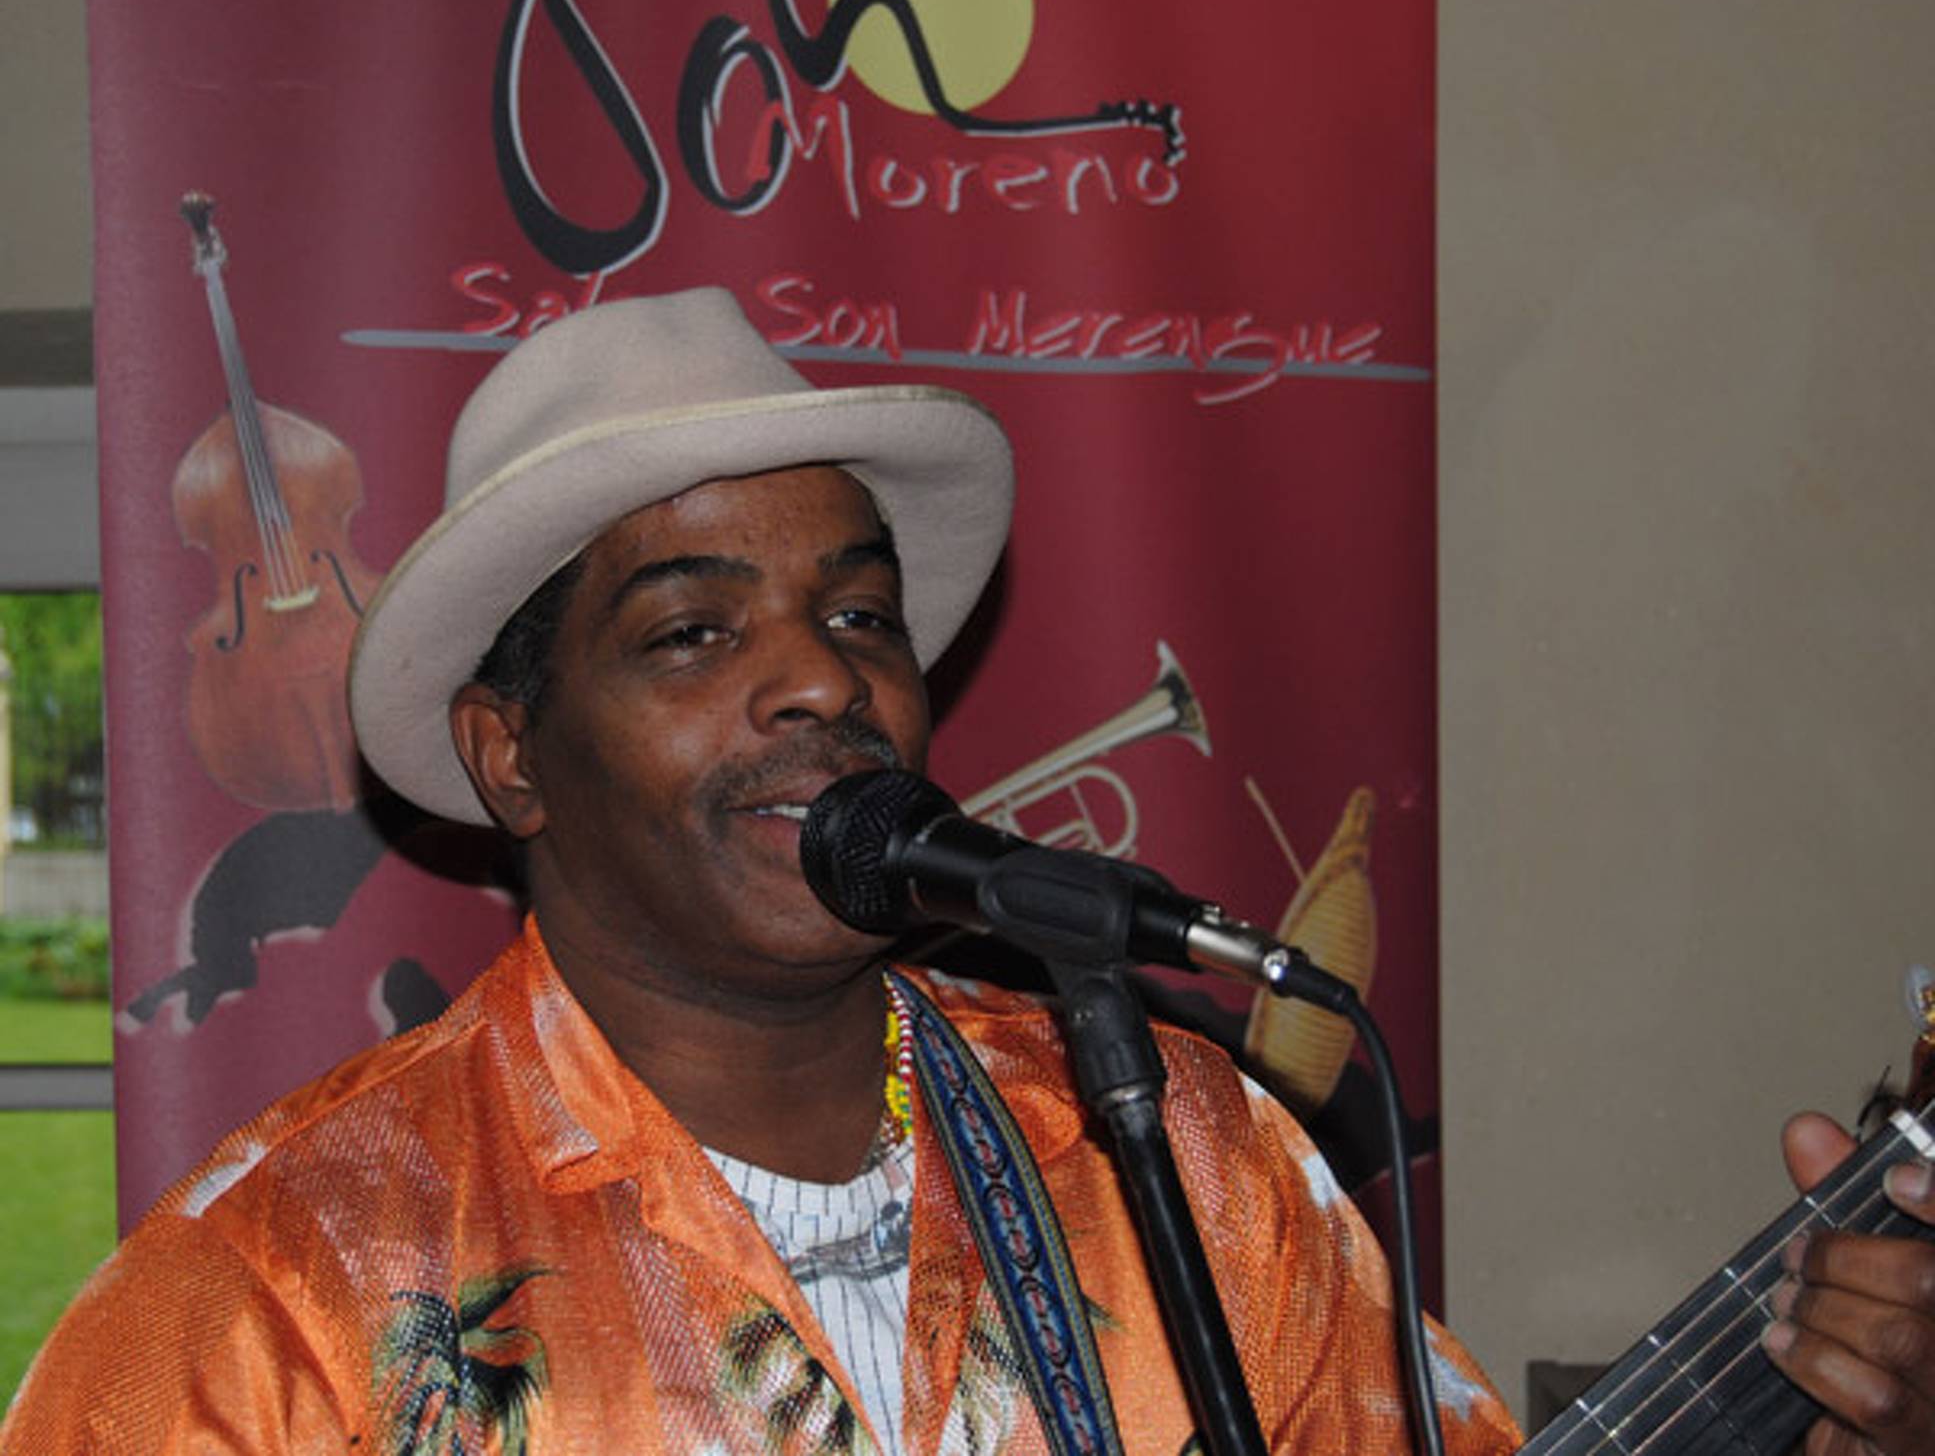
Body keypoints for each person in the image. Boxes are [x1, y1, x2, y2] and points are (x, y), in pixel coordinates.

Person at [0, 290, 1926, 1455]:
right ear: (512, 754)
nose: (822, 682)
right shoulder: (271, 1299)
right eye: (691, 633)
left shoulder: (1186, 1153)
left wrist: (1844, 1428)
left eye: (860, 616)